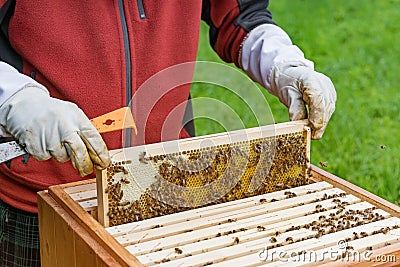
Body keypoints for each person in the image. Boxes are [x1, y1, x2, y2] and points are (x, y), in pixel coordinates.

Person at [0, 1, 336, 266]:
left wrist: (283, 65)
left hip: (168, 186)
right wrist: (16, 98)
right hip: (39, 201)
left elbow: (239, 13)